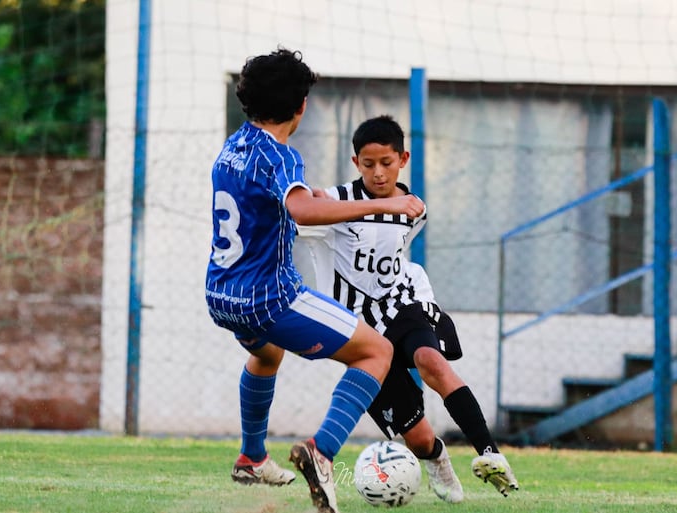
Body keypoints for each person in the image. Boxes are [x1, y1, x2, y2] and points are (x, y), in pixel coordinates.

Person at [204, 49, 425, 513]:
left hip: (221, 293)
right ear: (300, 105)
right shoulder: (281, 155)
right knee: (376, 351)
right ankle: (321, 453)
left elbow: (278, 207)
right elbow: (300, 209)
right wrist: (382, 205)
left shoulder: (233, 145)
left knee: (266, 355)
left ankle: (252, 457)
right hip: (268, 298)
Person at [316, 114, 520, 498]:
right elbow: (309, 204)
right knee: (419, 437)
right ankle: (437, 458)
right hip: (359, 330)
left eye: (387, 163)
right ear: (355, 163)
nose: (378, 173)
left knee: (432, 360)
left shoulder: (414, 207)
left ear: (403, 158)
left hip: (401, 306)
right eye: (368, 164)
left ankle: (491, 454)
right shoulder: (338, 200)